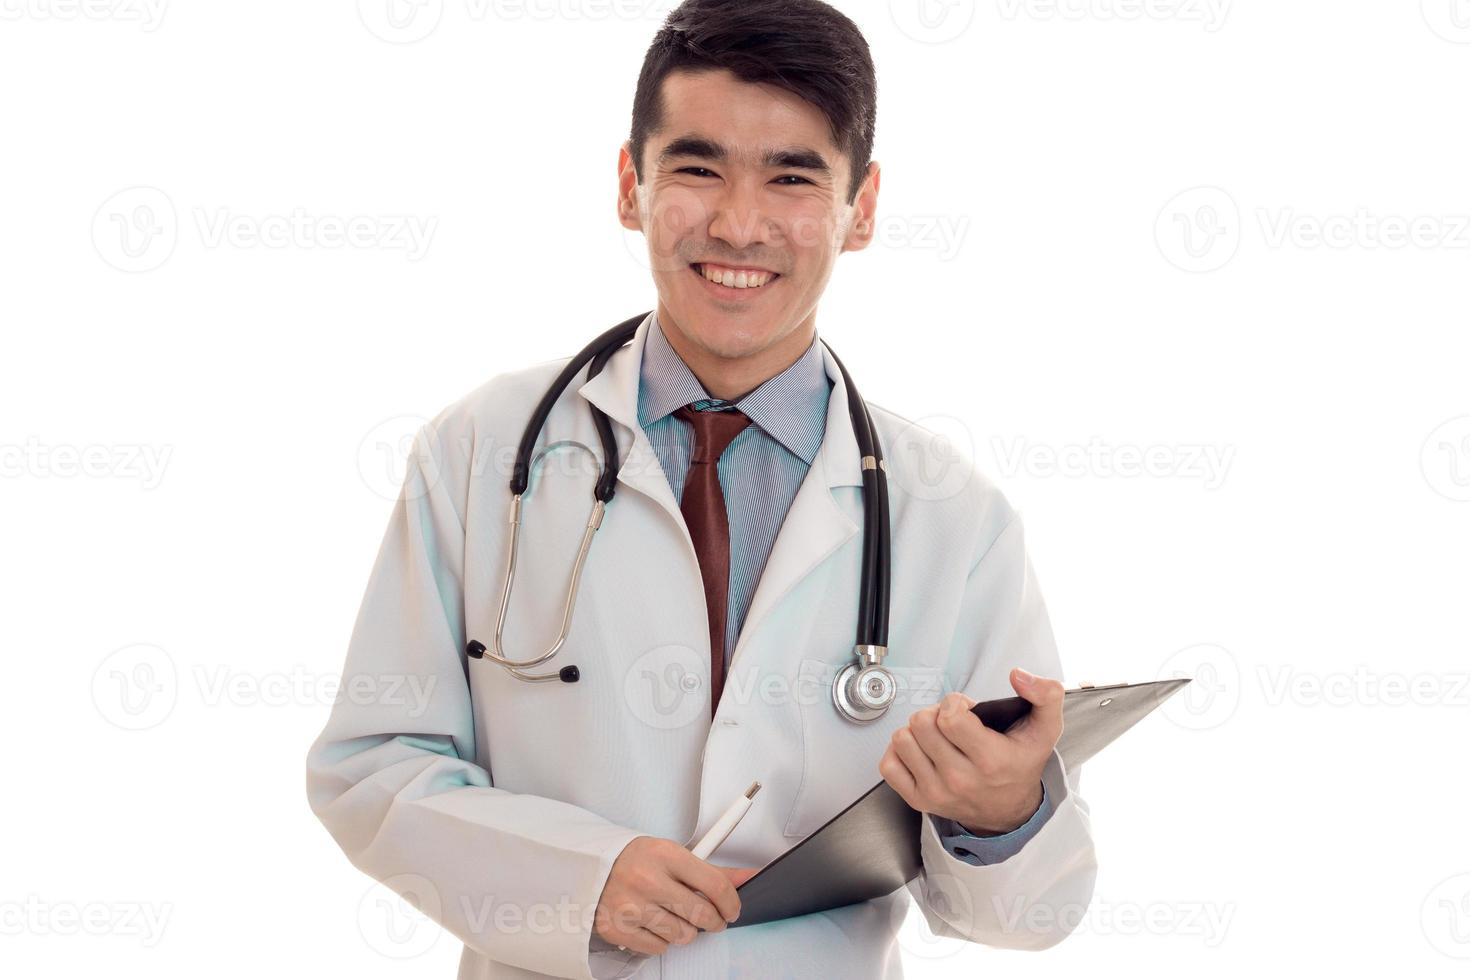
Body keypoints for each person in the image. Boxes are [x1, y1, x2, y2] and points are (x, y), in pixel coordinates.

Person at [304, 2, 1097, 977]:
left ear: (864, 208)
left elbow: (1033, 913)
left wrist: (1005, 814)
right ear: (632, 184)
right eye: (697, 167)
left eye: (793, 177)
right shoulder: (481, 451)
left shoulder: (953, 516)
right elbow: (371, 766)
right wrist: (579, 875)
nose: (738, 222)